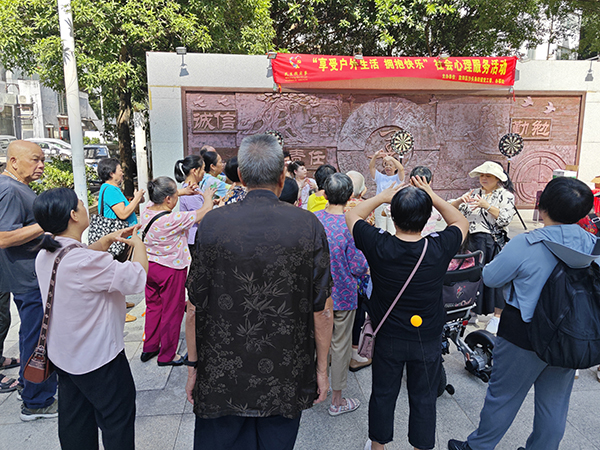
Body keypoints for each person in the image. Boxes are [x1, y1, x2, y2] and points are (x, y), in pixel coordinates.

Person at [185, 133, 333, 450]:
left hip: (223, 375)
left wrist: (193, 366)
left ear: (240, 176)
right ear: (282, 176)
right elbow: (322, 310)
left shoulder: (212, 223)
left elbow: (194, 305)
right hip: (285, 373)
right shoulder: (308, 225)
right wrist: (321, 370)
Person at [448, 177, 597, 450]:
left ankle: (478, 447)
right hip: (569, 333)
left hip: (523, 335)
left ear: (542, 206)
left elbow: (491, 277)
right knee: (555, 402)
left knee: (503, 396)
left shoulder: (527, 243)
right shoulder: (593, 244)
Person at [346, 176, 468, 450]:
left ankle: (378, 447)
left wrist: (381, 197)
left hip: (387, 336)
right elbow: (461, 221)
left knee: (382, 394)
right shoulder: (437, 247)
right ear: (427, 219)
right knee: (424, 397)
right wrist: (432, 196)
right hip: (426, 338)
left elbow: (353, 214)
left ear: (392, 213)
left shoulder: (379, 244)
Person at [33, 187, 148, 450]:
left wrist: (105, 241)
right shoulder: (85, 262)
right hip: (99, 360)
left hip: (64, 356)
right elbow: (137, 278)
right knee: (116, 421)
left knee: (76, 421)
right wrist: (140, 244)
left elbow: (74, 258)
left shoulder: (45, 254)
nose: (86, 207)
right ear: (74, 215)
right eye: (82, 205)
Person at [0, 140, 58, 421]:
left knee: (33, 335)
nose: (42, 165)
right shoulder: (9, 189)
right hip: (28, 279)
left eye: (43, 160)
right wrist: (48, 224)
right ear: (13, 162)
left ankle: (31, 387)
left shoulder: (15, 186)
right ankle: (37, 401)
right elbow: (4, 237)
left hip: (30, 276)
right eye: (35, 159)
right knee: (37, 338)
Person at [140, 177, 215, 366]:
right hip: (170, 269)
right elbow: (204, 212)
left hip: (150, 266)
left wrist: (182, 191)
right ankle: (167, 356)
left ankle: (149, 347)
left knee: (153, 307)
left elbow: (161, 198)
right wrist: (207, 196)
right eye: (174, 195)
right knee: (172, 312)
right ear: (168, 199)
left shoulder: (147, 211)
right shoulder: (173, 219)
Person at [314, 173, 368, 416]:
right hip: (344, 295)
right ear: (350, 197)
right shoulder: (350, 225)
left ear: (324, 194)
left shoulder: (313, 220)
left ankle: (313, 388)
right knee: (340, 346)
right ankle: (336, 401)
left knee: (315, 342)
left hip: (315, 295)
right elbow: (358, 266)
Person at [450, 161, 516, 333]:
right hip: (471, 240)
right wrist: (458, 201)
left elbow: (505, 219)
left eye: (488, 175)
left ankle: (497, 316)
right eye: (482, 175)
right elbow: (451, 210)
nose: (484, 178)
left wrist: (486, 206)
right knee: (471, 276)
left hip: (491, 241)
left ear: (497, 178)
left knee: (496, 277)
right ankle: (472, 310)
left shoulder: (505, 195)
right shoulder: (473, 193)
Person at [175, 155, 206, 252]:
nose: (204, 173)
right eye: (203, 169)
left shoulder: (190, 188)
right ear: (195, 171)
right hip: (195, 238)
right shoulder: (191, 192)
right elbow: (200, 218)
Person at [368, 150, 405, 233]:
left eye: (391, 165)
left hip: (393, 207)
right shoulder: (379, 177)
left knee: (392, 231)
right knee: (381, 231)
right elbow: (371, 167)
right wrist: (375, 156)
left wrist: (391, 158)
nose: (388, 167)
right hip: (380, 206)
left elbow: (401, 169)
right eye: (386, 165)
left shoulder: (398, 178)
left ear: (395, 167)